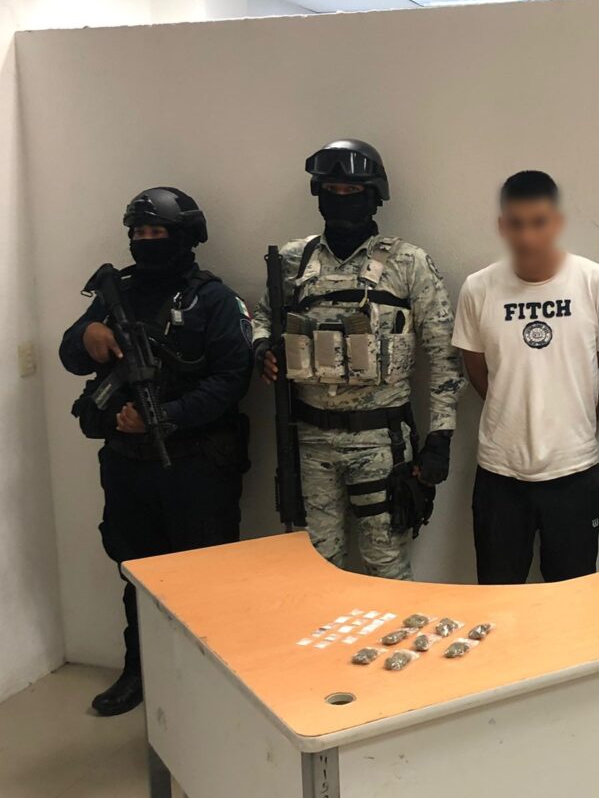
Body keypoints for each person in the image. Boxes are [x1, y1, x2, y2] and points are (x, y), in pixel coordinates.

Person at [60, 187, 253, 716]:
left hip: (196, 465)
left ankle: (210, 682)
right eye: (139, 233)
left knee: (205, 580)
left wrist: (165, 417)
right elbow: (71, 355)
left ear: (186, 236)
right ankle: (139, 670)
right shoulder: (114, 294)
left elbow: (232, 379)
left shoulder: (214, 299)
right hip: (128, 464)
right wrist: (88, 335)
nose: (147, 241)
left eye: (158, 232)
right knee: (137, 574)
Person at [253, 139, 464, 580]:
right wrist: (262, 348)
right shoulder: (292, 260)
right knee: (317, 570)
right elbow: (261, 318)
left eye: (352, 191)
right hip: (310, 441)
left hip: (381, 444)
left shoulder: (408, 262)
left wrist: (440, 437)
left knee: (385, 569)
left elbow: (444, 355)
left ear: (374, 195)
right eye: (332, 190)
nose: (341, 199)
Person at [451, 171, 599, 584]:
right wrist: (509, 409)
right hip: (499, 473)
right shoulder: (478, 288)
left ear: (557, 223)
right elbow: (475, 368)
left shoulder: (596, 281)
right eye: (517, 224)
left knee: (572, 598)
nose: (528, 236)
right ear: (503, 226)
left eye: (538, 222)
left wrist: (579, 420)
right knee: (498, 597)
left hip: (574, 473)